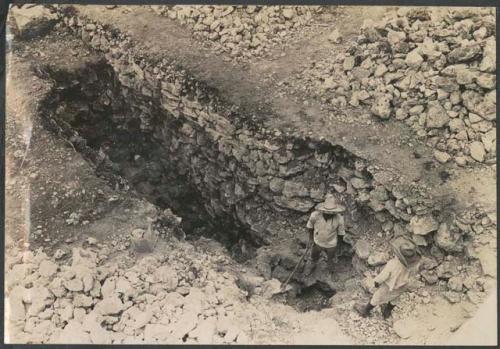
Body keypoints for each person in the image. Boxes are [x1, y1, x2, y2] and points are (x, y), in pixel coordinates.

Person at [354, 236, 422, 319]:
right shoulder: (413, 265)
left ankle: (365, 311)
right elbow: (412, 275)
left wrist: (376, 283)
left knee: (377, 297)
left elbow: (382, 277)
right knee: (395, 299)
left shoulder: (392, 264)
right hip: (402, 286)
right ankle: (387, 312)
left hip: (388, 286)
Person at [304, 194, 346, 274]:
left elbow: (341, 233)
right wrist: (310, 239)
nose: (329, 213)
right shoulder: (315, 215)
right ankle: (312, 266)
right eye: (327, 212)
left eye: (332, 212)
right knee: (314, 256)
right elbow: (310, 227)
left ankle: (331, 271)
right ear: (323, 210)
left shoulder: (339, 218)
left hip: (331, 243)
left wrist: (338, 245)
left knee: (331, 259)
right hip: (317, 241)